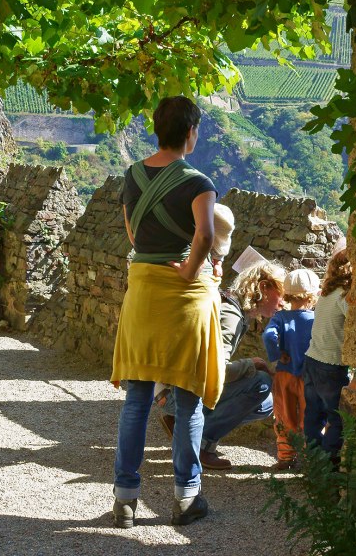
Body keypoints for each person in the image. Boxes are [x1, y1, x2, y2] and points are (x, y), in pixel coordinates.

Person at [111, 95, 222, 528]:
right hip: (182, 293)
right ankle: (186, 497)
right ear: (190, 131)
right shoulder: (199, 182)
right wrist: (190, 269)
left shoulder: (133, 175)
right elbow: (207, 235)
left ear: (158, 130)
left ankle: (125, 499)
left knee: (137, 396)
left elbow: (133, 233)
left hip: (142, 290)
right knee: (188, 397)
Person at [156, 253, 285, 470]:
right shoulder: (230, 315)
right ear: (263, 287)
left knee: (266, 404)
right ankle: (202, 443)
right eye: (281, 294)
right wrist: (251, 365)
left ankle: (183, 426)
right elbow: (214, 370)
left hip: (171, 388)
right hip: (174, 393)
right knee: (261, 383)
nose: (283, 302)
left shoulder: (231, 306)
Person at [263, 267, 320, 471]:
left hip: (285, 373)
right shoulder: (316, 319)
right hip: (309, 375)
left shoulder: (280, 318)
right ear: (313, 295)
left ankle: (286, 456)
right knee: (310, 415)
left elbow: (268, 336)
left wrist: (277, 355)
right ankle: (312, 458)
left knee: (284, 415)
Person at [303, 248, 352, 464]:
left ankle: (312, 460)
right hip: (331, 365)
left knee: (313, 413)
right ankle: (328, 466)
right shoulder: (344, 296)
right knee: (338, 418)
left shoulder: (325, 295)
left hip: (312, 359)